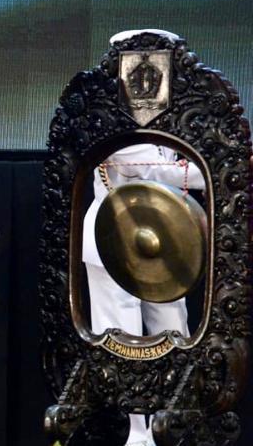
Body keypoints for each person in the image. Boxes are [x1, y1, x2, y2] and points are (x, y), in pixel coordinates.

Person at [81, 29, 206, 446]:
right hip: (113, 237)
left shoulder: (174, 113)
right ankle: (134, 433)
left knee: (174, 329)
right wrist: (214, 167)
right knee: (120, 338)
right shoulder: (107, 113)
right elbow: (153, 167)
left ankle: (171, 426)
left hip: (167, 239)